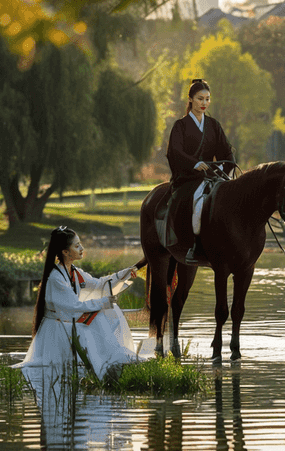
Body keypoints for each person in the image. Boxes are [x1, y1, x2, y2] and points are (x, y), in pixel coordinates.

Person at [13, 226, 141, 378]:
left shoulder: (74, 272)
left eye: (80, 244)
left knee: (111, 312)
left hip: (67, 322)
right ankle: (108, 363)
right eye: (77, 245)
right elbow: (75, 307)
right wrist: (103, 302)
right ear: (65, 252)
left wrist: (125, 273)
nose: (82, 248)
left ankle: (111, 361)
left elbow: (99, 284)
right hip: (58, 328)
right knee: (100, 317)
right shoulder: (56, 278)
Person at [166, 79, 236, 264]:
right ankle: (196, 244)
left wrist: (224, 168)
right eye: (200, 99)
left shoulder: (214, 125)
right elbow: (174, 152)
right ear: (190, 99)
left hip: (212, 176)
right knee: (199, 201)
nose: (204, 103)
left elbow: (227, 152)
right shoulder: (180, 126)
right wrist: (194, 164)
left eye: (207, 99)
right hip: (188, 177)